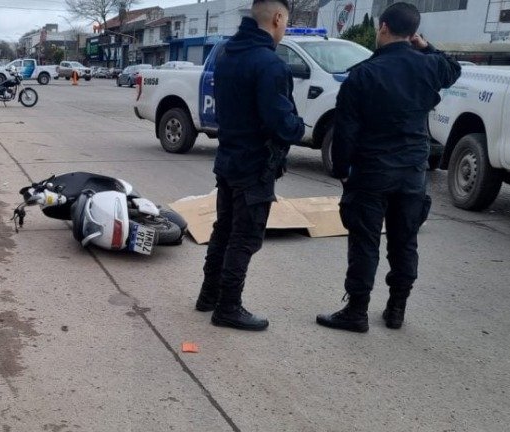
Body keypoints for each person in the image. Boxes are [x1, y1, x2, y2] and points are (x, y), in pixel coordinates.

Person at [317, 2, 461, 332]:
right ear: (413, 34)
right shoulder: (429, 66)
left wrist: (341, 169)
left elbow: (346, 130)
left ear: (382, 28)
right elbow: (453, 69)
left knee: (365, 242)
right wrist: (427, 48)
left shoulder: (363, 74)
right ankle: (396, 309)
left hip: (371, 172)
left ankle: (356, 311)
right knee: (404, 240)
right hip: (412, 171)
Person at [194, 0, 305, 331]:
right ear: (277, 18)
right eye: (286, 22)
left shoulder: (227, 53)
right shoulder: (270, 64)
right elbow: (281, 123)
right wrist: (297, 127)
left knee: (223, 230)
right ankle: (228, 307)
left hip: (228, 159)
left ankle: (208, 295)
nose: (284, 29)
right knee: (245, 238)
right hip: (254, 166)